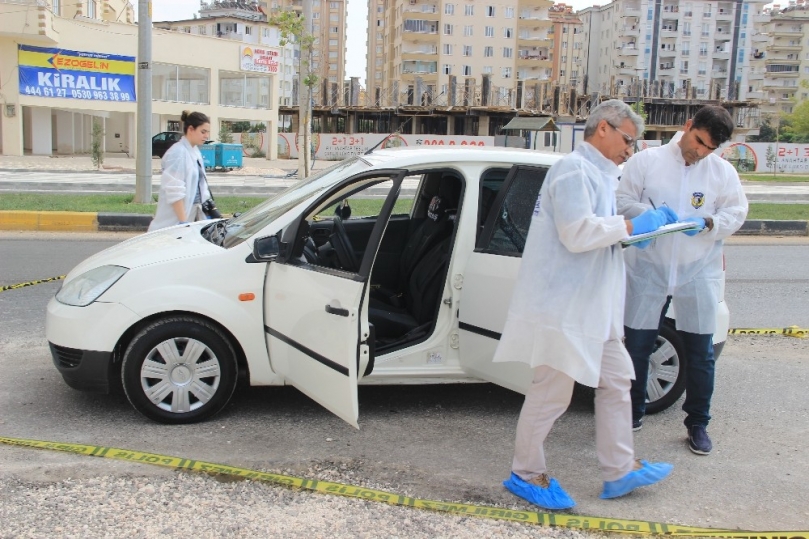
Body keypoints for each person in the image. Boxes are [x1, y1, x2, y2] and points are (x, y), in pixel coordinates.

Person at [493, 100, 675, 510]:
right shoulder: (573, 169)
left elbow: (602, 227)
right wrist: (630, 226)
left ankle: (619, 469)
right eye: (628, 139)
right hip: (565, 307)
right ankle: (525, 472)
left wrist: (640, 225)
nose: (631, 149)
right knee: (551, 394)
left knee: (618, 382)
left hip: (594, 309)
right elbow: (577, 232)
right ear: (604, 128)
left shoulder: (600, 175)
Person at [616, 105, 748, 455]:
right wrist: (649, 215)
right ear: (688, 126)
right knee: (638, 346)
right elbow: (621, 199)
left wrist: (708, 224)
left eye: (709, 148)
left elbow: (736, 212)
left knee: (701, 354)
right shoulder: (647, 162)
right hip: (648, 267)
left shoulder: (721, 172)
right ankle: (631, 414)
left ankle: (698, 424)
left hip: (697, 270)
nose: (701, 152)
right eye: (699, 142)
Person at [148, 110, 214, 231]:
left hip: (193, 213)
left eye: (207, 132)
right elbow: (174, 190)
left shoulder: (194, 151)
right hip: (176, 219)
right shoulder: (178, 153)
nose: (206, 136)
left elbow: (200, 186)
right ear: (190, 129)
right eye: (203, 132)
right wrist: (183, 222)